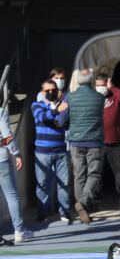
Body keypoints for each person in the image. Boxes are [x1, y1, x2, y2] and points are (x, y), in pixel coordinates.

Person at [66, 70, 106, 224]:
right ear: (91, 81)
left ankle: (82, 209)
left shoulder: (69, 97)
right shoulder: (99, 98)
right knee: (94, 174)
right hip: (94, 141)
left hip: (75, 141)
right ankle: (83, 204)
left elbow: (63, 120)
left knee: (79, 175)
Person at [31, 78, 73, 225]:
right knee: (42, 184)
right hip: (42, 152)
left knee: (64, 183)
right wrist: (56, 112)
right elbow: (42, 117)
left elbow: (64, 122)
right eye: (47, 91)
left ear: (58, 91)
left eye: (53, 90)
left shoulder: (64, 105)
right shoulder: (36, 105)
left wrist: (56, 115)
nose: (50, 93)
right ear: (42, 92)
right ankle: (43, 213)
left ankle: (65, 212)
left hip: (61, 150)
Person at [98, 74, 120, 214]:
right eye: (98, 85)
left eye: (103, 85)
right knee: (96, 175)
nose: (101, 88)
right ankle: (94, 203)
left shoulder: (115, 96)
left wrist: (112, 87)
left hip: (116, 142)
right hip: (98, 143)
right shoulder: (95, 98)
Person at [0, 105, 31, 243]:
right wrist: (16, 153)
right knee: (11, 195)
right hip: (1, 159)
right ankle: (19, 230)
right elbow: (7, 136)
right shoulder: (0, 112)